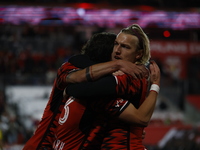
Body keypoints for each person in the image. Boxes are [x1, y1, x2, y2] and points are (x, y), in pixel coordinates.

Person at [23, 32, 147, 150]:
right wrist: (118, 65)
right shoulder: (70, 69)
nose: (118, 51)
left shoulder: (89, 76)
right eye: (115, 47)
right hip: (43, 144)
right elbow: (80, 75)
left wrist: (129, 130)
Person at [53, 24, 160, 149]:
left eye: (125, 47)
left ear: (138, 54)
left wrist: (68, 89)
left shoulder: (127, 77)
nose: (117, 50)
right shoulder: (130, 74)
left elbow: (88, 89)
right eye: (116, 44)